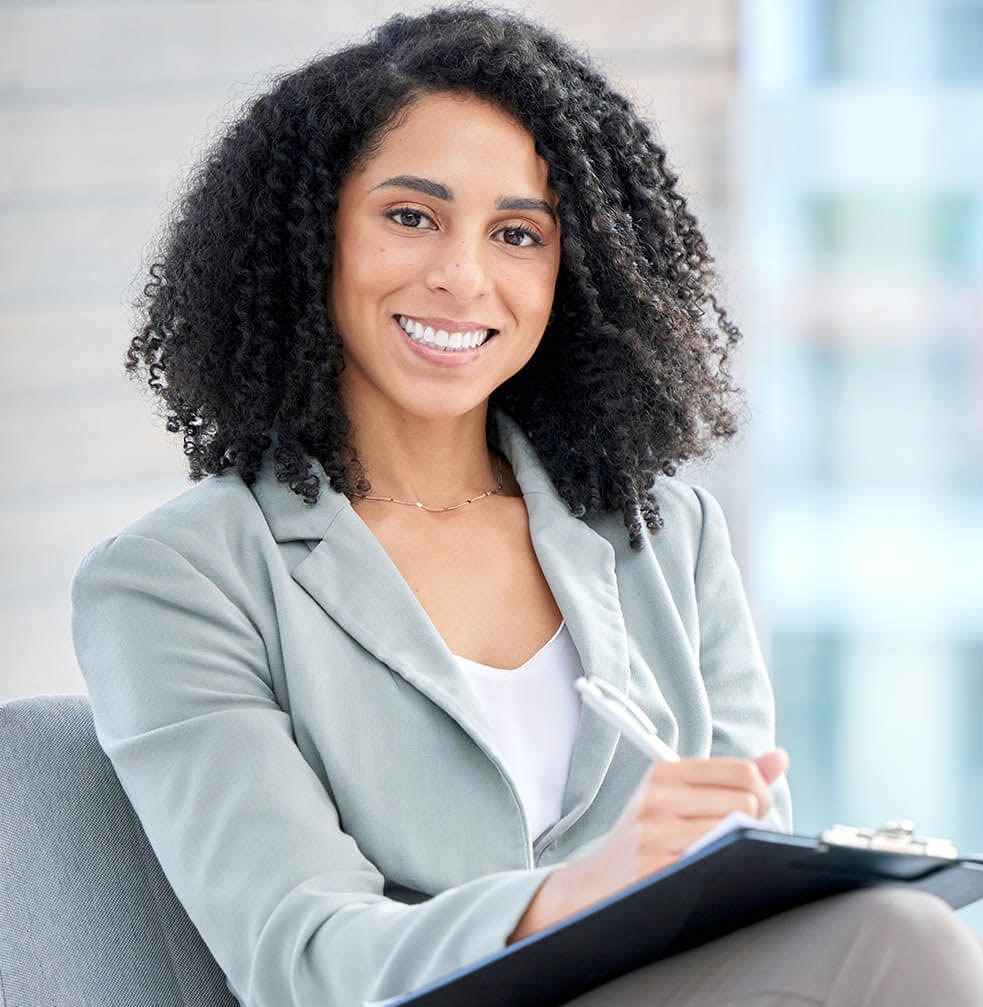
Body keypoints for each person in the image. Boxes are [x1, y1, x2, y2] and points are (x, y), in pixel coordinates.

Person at [71, 7, 983, 1006]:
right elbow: (307, 959)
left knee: (892, 924)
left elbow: (743, 899)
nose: (463, 277)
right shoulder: (176, 579)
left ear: (571, 272)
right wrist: (573, 890)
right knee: (900, 941)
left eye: (516, 234)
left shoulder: (663, 533)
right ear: (307, 236)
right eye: (410, 216)